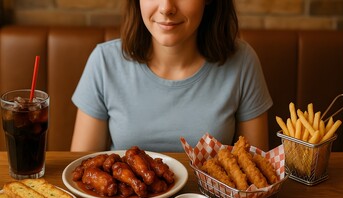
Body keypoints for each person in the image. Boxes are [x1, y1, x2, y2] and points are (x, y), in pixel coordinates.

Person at [70, 0, 273, 153]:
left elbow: (255, 171)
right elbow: (80, 169)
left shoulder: (242, 61)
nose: (166, 8)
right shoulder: (104, 62)